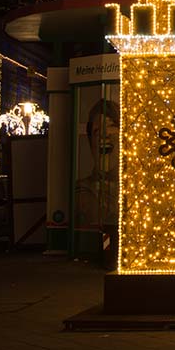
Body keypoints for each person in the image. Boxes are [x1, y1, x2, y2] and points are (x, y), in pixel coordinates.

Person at [74, 98, 119, 265]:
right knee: (107, 243)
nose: (104, 134)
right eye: (96, 130)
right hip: (108, 227)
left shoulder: (134, 186)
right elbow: (92, 213)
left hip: (110, 227)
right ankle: (107, 260)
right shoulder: (83, 189)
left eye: (111, 126)